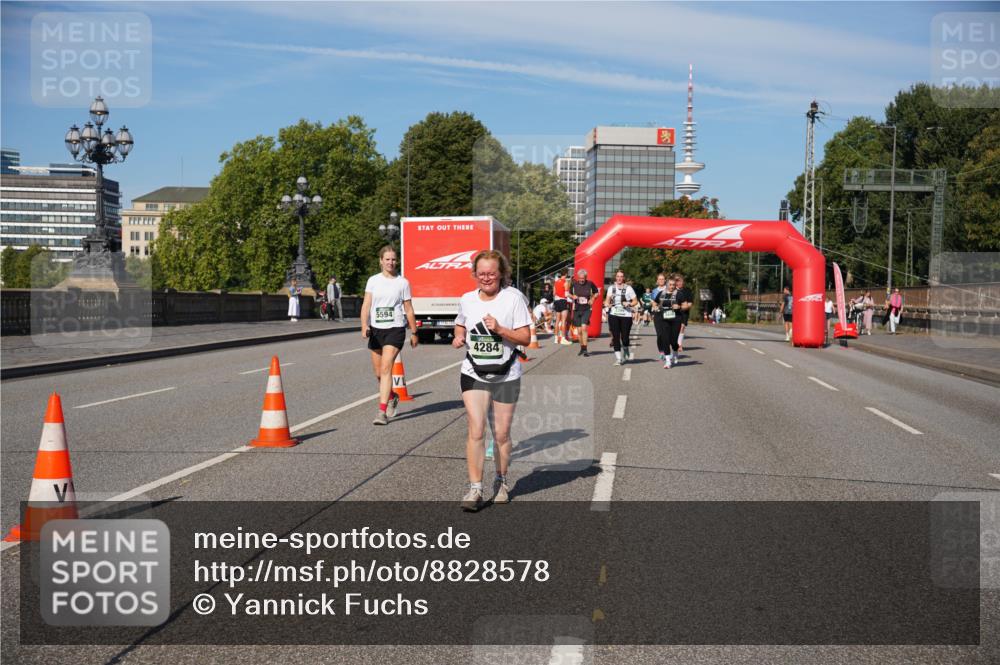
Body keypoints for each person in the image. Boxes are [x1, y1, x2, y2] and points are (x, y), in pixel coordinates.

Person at [452, 250, 532, 511]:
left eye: (491, 273)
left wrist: (500, 329)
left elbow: (526, 337)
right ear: (474, 274)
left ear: (501, 274)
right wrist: (459, 336)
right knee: (476, 429)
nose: (486, 278)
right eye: (481, 273)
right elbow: (461, 323)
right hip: (473, 371)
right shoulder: (466, 299)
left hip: (506, 373)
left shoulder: (513, 299)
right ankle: (475, 488)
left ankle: (501, 480)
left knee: (501, 433)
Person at [360, 246, 419, 426]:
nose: (391, 262)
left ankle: (381, 412)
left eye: (393, 259)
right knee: (379, 373)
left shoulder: (402, 282)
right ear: (381, 261)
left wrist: (414, 331)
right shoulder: (373, 281)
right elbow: (366, 305)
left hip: (395, 328)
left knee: (386, 369)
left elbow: (408, 309)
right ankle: (392, 396)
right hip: (377, 329)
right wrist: (364, 324)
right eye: (387, 259)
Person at [604, 270, 638, 366]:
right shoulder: (611, 288)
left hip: (626, 316)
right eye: (618, 276)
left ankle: (626, 348)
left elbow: (635, 301)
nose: (619, 278)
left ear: (623, 278)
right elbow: (606, 301)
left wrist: (629, 303)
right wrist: (607, 304)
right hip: (614, 314)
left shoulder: (629, 288)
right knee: (615, 337)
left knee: (625, 337)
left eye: (621, 276)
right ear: (616, 277)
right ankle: (619, 358)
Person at [569, 269, 600, 357]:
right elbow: (568, 294)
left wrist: (593, 298)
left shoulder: (590, 283)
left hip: (587, 309)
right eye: (580, 278)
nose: (581, 280)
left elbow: (596, 293)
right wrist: (572, 296)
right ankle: (582, 347)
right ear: (578, 278)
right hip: (577, 309)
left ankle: (585, 349)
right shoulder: (574, 285)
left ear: (586, 277)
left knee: (583, 328)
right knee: (578, 331)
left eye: (583, 278)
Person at [651, 274, 671, 362]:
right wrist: (655, 307)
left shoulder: (669, 289)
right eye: (660, 279)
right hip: (658, 314)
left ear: (665, 280)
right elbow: (652, 301)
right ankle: (662, 352)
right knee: (659, 334)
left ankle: (667, 352)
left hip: (668, 314)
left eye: (663, 279)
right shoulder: (654, 291)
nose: (661, 280)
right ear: (657, 280)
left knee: (667, 334)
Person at [674, 274, 693, 352]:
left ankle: (679, 344)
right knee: (674, 329)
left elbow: (690, 304)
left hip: (684, 313)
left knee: (682, 328)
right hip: (673, 313)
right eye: (678, 281)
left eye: (681, 281)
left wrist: (680, 307)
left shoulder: (687, 291)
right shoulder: (672, 290)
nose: (680, 283)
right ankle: (673, 343)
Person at [552, 271, 571, 345]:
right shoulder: (565, 282)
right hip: (563, 301)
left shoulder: (556, 282)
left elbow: (554, 293)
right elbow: (566, 294)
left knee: (557, 321)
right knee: (563, 321)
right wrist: (573, 296)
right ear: (565, 274)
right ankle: (563, 338)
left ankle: (556, 338)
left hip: (556, 301)